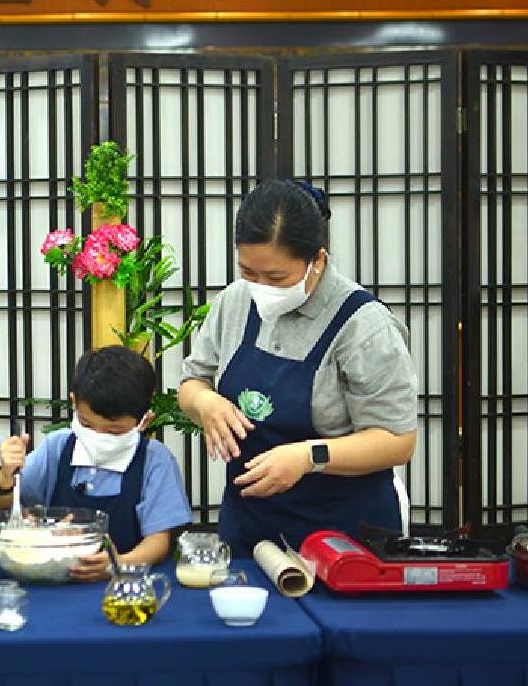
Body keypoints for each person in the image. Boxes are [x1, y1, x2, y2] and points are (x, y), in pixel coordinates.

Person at [177, 179, 417, 555]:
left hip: (346, 537)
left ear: (317, 261)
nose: (260, 287)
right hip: (251, 528)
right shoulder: (235, 302)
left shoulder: (363, 326)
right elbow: (193, 381)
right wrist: (206, 404)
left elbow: (397, 442)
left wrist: (308, 457)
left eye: (276, 278)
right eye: (248, 272)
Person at [0, 346, 192, 582]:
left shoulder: (154, 460)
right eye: (86, 425)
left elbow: (159, 542)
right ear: (74, 402)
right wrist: (6, 476)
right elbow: (3, 506)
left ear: (144, 421)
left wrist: (117, 563)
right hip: (54, 581)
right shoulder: (58, 448)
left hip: (122, 584)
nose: (98, 436)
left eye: (114, 431)